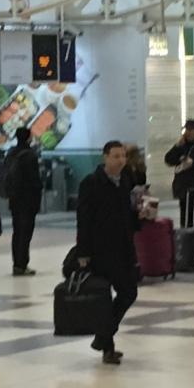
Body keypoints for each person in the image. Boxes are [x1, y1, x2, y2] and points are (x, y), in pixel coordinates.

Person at [73, 139, 139, 364]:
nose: (121, 160)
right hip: (99, 250)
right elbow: (83, 219)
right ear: (105, 157)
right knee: (104, 298)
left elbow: (127, 216)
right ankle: (107, 347)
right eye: (116, 156)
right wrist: (83, 252)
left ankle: (102, 337)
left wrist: (141, 217)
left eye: (123, 156)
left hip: (122, 248)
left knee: (129, 292)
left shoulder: (125, 181)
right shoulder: (91, 182)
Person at [1, 126, 42, 275]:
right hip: (28, 200)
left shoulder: (11, 153)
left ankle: (17, 263)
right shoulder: (30, 155)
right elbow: (34, 180)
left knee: (17, 232)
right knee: (26, 233)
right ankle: (22, 264)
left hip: (14, 199)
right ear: (29, 138)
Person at [164, 120, 194, 251]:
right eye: (186, 130)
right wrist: (176, 147)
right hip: (183, 188)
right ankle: (187, 252)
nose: (188, 133)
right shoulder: (182, 145)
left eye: (190, 130)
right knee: (185, 221)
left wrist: (193, 163)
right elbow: (168, 160)